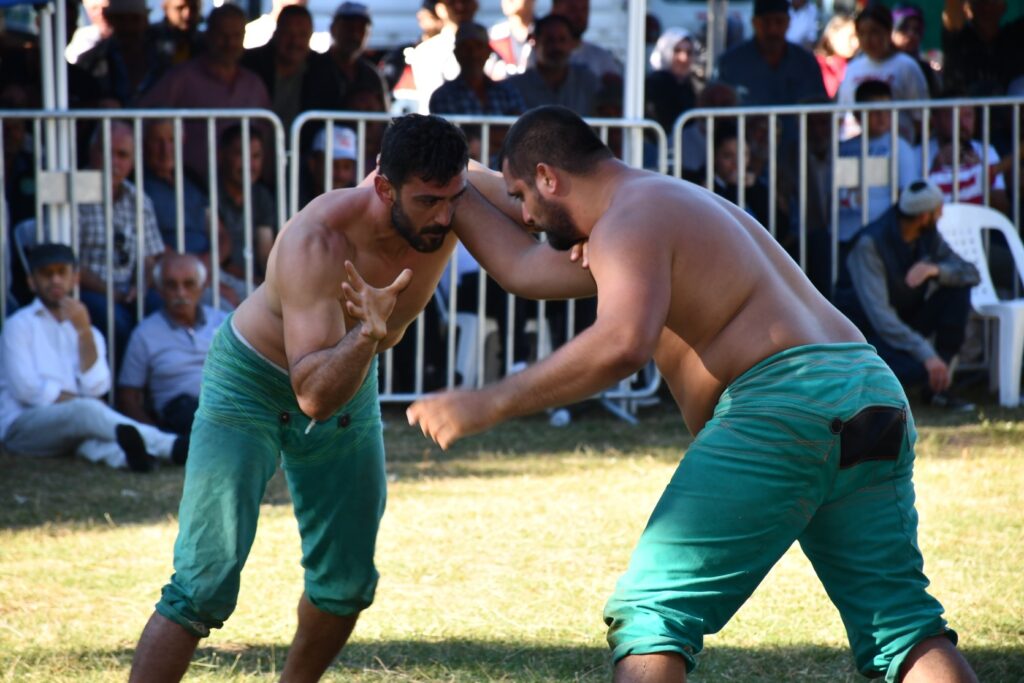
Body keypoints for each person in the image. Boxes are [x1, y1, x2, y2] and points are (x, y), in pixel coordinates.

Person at [406, 105, 978, 683]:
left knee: (651, 615)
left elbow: (623, 344)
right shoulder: (662, 206)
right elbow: (524, 269)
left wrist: (488, 402)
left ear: (550, 178)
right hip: (869, 394)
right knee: (902, 627)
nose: (522, 216)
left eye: (521, 196)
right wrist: (451, 183)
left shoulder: (628, 221)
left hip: (785, 404)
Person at [126, 113, 596, 681]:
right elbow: (314, 397)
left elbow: (527, 264)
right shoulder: (317, 238)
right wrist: (368, 333)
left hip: (347, 375)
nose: (446, 217)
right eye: (428, 202)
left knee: (346, 584)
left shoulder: (452, 192)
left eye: (454, 198)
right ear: (383, 186)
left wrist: (627, 259)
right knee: (202, 584)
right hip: (254, 382)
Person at [1, 243, 186, 472]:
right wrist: (81, 403)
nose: (55, 280)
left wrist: (84, 332)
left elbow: (97, 386)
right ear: (31, 282)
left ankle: (137, 460)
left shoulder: (86, 328)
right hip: (22, 427)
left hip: (72, 425)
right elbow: (27, 390)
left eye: (62, 272)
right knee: (86, 412)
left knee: (92, 437)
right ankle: (172, 445)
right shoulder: (18, 326)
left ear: (74, 278)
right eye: (47, 274)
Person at [835, 180, 980, 411]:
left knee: (957, 291)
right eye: (938, 210)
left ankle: (938, 386)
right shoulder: (870, 245)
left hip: (905, 322)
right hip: (867, 334)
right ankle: (925, 376)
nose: (942, 214)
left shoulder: (929, 237)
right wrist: (926, 354)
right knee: (915, 368)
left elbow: (971, 273)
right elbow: (881, 319)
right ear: (924, 217)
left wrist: (936, 270)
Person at [139, 4, 271, 186]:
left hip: (241, 192)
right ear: (208, 35)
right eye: (223, 35)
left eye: (236, 36)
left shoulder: (254, 85)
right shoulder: (181, 78)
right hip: (186, 186)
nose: (229, 43)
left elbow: (268, 137)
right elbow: (143, 119)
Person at [77, 120, 165, 362]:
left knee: (162, 312)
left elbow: (150, 258)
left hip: (130, 291)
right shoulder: (74, 194)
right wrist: (112, 293)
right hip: (88, 291)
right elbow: (70, 265)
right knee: (116, 320)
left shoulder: (139, 199)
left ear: (134, 161)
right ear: (91, 151)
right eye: (105, 152)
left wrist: (142, 284)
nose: (113, 162)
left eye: (122, 155)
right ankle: (119, 390)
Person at [118, 252, 228, 437]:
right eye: (171, 285)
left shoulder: (224, 322)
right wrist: (156, 436)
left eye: (188, 284)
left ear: (202, 287)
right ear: (160, 290)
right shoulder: (145, 333)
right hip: (182, 410)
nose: (180, 293)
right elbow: (127, 395)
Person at [836, 79, 920, 247]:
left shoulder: (899, 147)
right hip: (843, 235)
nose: (882, 117)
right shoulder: (843, 148)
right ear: (857, 114)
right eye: (874, 111)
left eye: (886, 111)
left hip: (879, 239)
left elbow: (906, 195)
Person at [837, 5, 929, 144]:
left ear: (888, 31)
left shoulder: (906, 66)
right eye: (862, 33)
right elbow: (841, 114)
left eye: (874, 32)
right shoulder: (852, 68)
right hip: (856, 149)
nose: (868, 40)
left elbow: (921, 118)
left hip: (896, 147)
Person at [714, 0, 826, 107]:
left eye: (779, 21)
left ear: (788, 23)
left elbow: (822, 109)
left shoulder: (806, 63)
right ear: (754, 23)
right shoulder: (729, 64)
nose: (773, 30)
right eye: (766, 22)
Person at [75, 0, 167, 107]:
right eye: (121, 19)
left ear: (145, 20)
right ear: (108, 19)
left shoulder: (165, 58)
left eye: (135, 19)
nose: (128, 27)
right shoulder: (91, 62)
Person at [141, 118, 211, 255]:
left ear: (182, 140)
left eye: (172, 140)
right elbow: (145, 242)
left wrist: (209, 261)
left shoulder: (193, 179)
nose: (165, 150)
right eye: (157, 141)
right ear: (144, 143)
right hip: (169, 267)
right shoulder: (137, 183)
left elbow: (221, 235)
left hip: (207, 265)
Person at [507, 14, 599, 116]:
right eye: (549, 40)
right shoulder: (515, 87)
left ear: (572, 43)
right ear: (534, 41)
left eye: (562, 40)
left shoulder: (588, 81)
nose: (556, 47)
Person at [645, 27, 698, 136]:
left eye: (689, 52)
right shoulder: (656, 84)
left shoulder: (691, 84)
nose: (684, 58)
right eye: (677, 51)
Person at [300, 125, 359, 209]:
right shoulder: (295, 198)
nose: (340, 174)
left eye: (347, 166)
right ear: (313, 164)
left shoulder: (359, 203)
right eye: (333, 165)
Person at [148, 0, 203, 68]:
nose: (187, 14)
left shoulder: (206, 43)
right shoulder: (150, 37)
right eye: (180, 8)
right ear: (165, 8)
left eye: (193, 8)